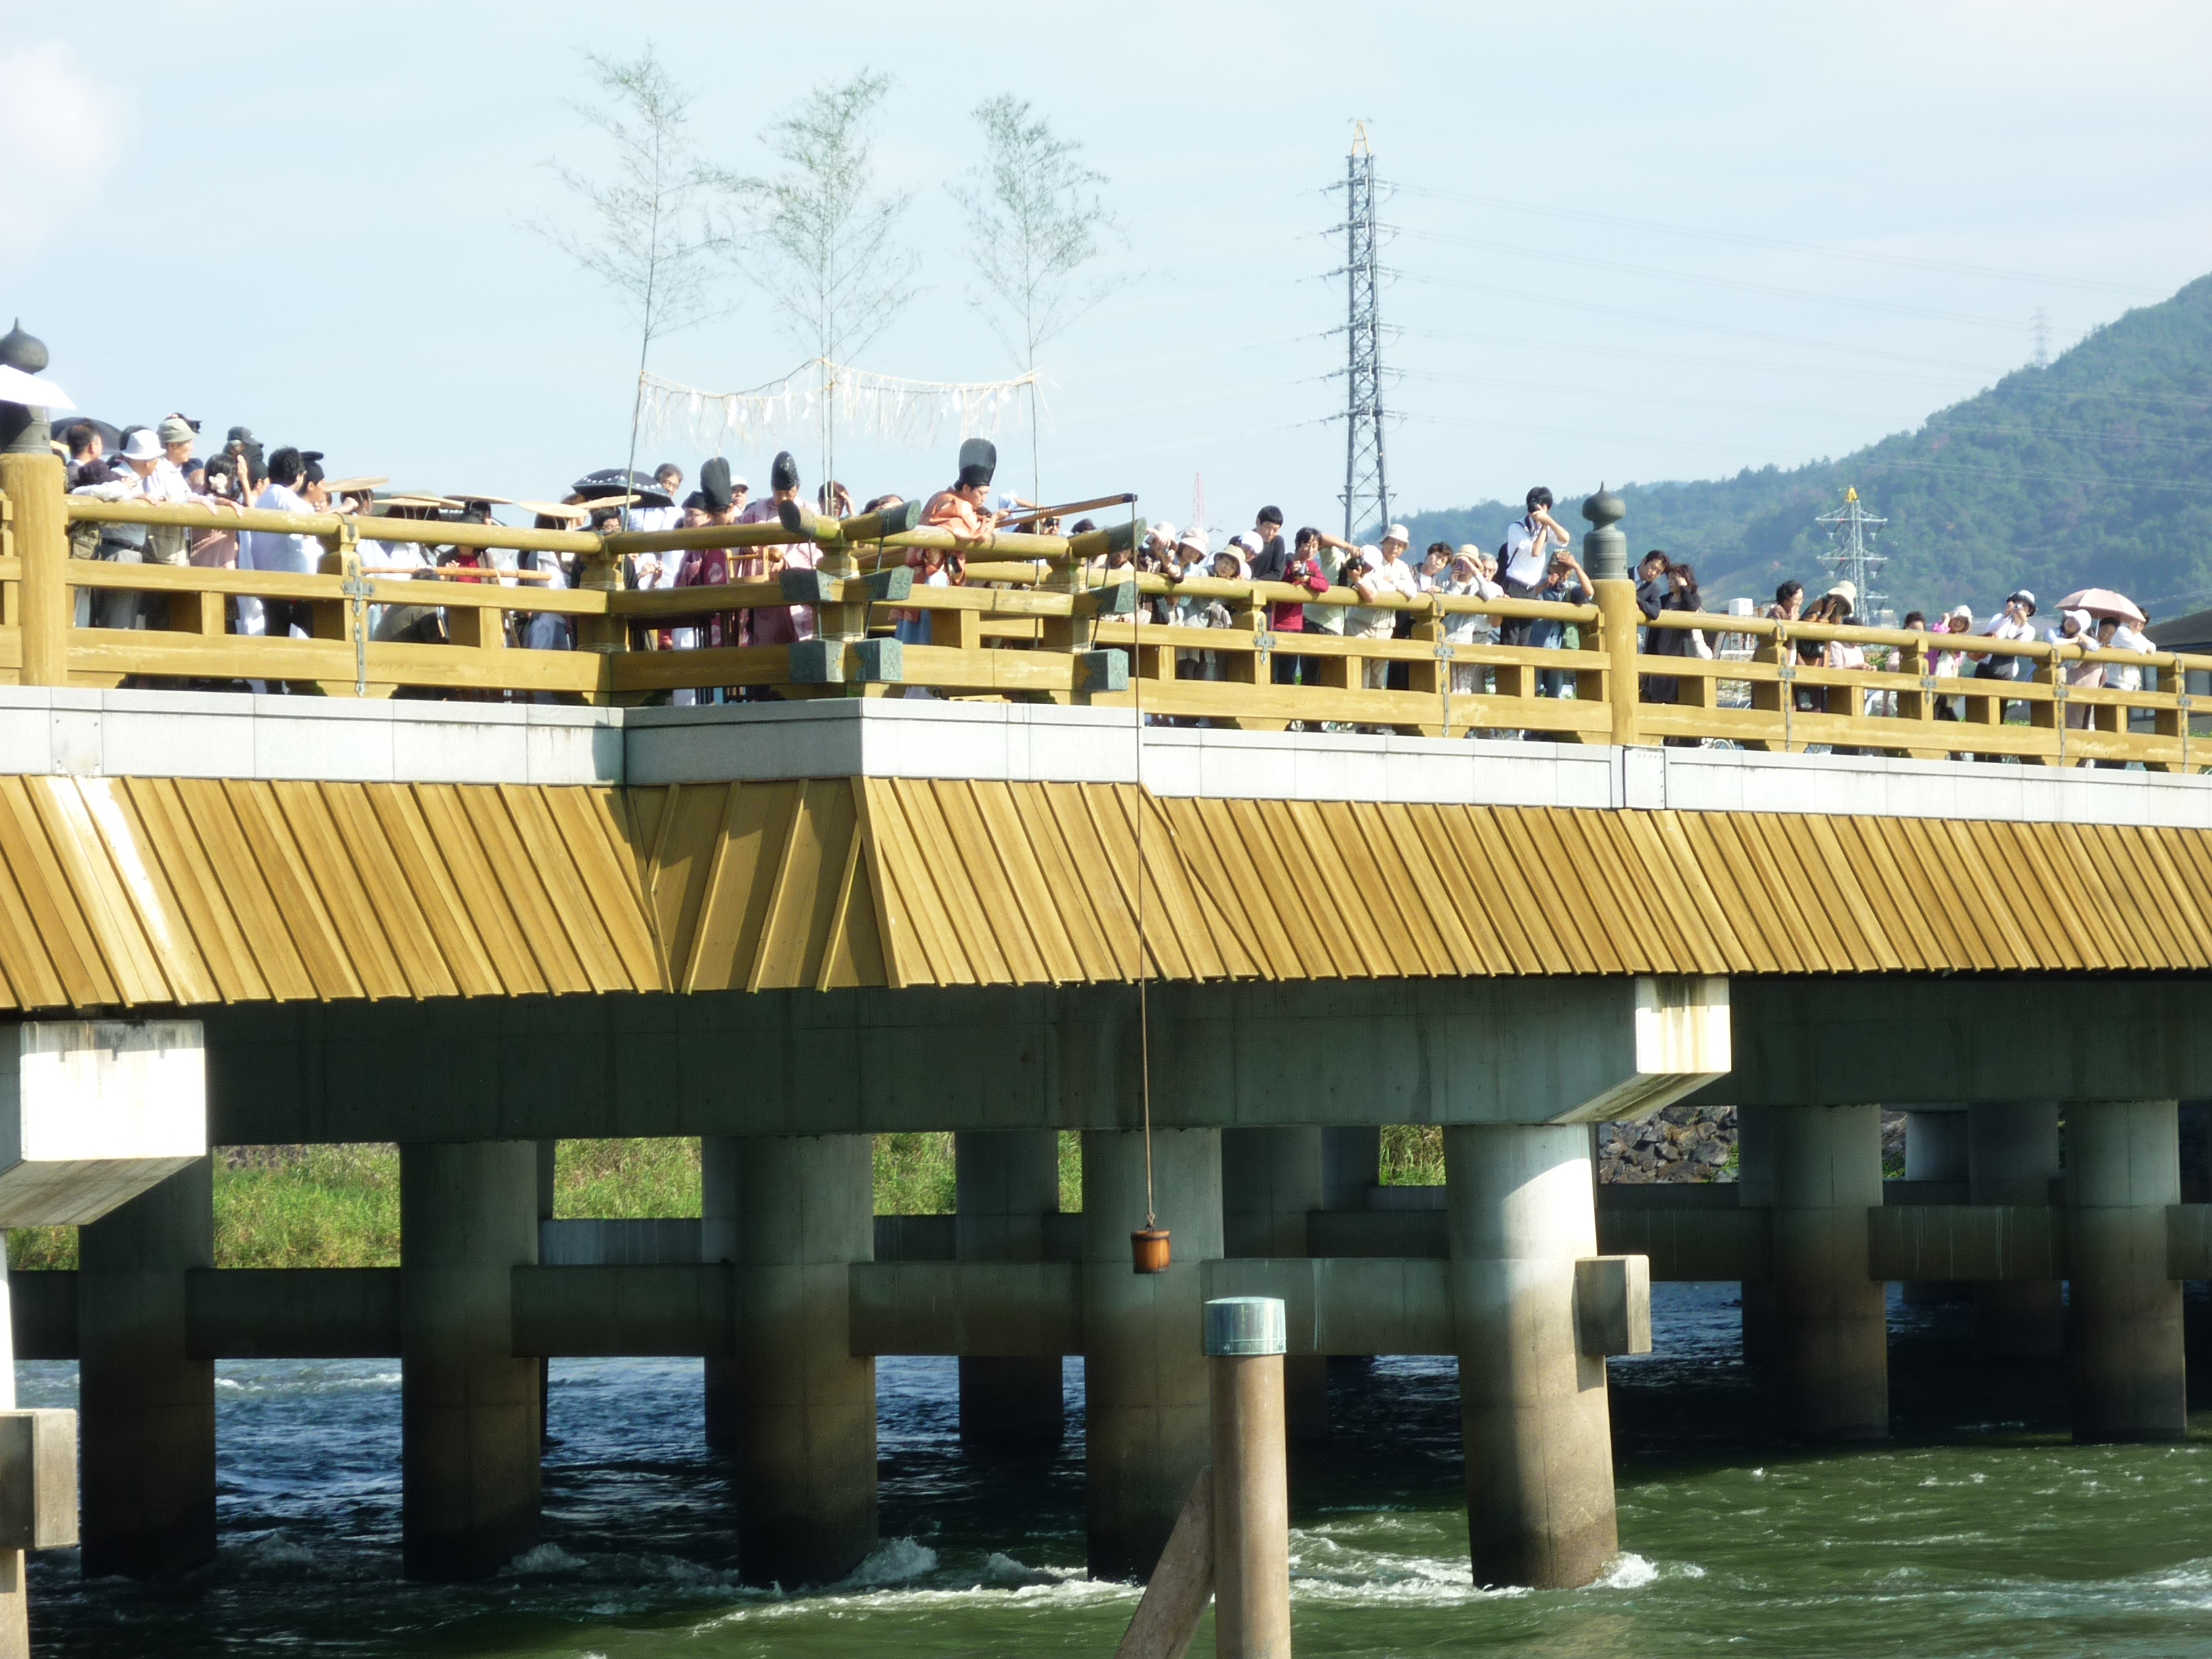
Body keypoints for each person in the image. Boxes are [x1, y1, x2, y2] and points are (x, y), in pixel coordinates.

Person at [239, 446, 318, 642]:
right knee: (322, 636)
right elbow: (312, 526)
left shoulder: (265, 498)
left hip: (270, 586)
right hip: (292, 588)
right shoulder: (285, 497)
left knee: (277, 642)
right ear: (300, 477)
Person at [1498, 487, 1572, 647]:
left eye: (1542, 506)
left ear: (1547, 508)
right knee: (1510, 639)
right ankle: (1507, 671)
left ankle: (1522, 671)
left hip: (1531, 589)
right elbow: (1536, 551)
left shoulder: (1545, 526)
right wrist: (1544, 527)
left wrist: (1548, 522)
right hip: (1513, 584)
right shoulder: (1517, 527)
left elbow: (1565, 538)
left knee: (1524, 640)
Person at [1351, 536, 1418, 691]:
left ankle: (1375, 712)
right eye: (1392, 542)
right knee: (1359, 673)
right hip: (1361, 625)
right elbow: (1377, 590)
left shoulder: (1401, 566)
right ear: (1383, 542)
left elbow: (1412, 592)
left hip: (1385, 627)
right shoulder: (1372, 557)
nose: (1395, 547)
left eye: (1400, 544)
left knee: (1378, 676)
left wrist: (1392, 581)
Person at [1439, 547, 1503, 701]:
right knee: (1445, 680)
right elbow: (1449, 604)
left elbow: (1488, 595)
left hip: (1466, 638)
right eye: (1461, 562)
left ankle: (1464, 720)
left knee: (1464, 683)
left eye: (1470, 562)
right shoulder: (1449, 581)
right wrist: (1456, 582)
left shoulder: (1478, 585)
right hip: (1447, 636)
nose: (1465, 566)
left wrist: (1475, 572)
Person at [1529, 542, 1593, 698]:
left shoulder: (1571, 588)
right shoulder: (1540, 583)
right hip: (1535, 646)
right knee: (1533, 691)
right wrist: (1544, 586)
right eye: (1557, 569)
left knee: (1554, 693)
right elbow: (1527, 599)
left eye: (1565, 569)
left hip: (1559, 647)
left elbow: (1589, 593)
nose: (1561, 573)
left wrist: (1577, 567)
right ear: (1550, 569)